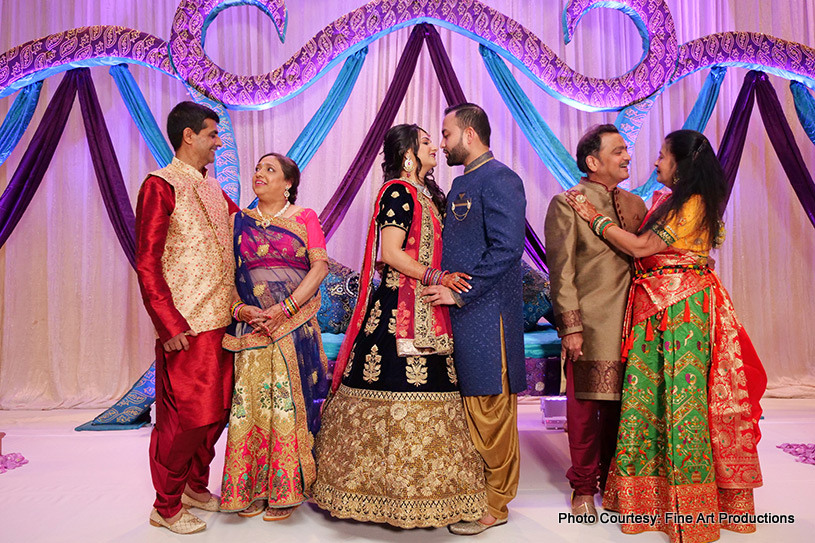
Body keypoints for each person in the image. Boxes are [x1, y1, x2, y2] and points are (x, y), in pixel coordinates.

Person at [564, 129, 767, 543]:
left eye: (661, 157)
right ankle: (650, 498)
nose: (653, 163)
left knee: (682, 404)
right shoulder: (664, 201)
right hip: (657, 312)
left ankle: (688, 506)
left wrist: (594, 217)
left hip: (682, 314)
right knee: (652, 403)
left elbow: (640, 249)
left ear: (680, 164)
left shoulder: (690, 204)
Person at [312, 124, 487, 529]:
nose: (435, 147)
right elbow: (390, 253)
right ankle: (373, 491)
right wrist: (435, 276)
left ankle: (434, 493)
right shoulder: (398, 191)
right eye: (427, 142)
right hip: (396, 311)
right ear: (407, 153)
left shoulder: (431, 196)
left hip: (430, 309)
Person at [136, 101, 239, 534]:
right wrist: (169, 324)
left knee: (216, 413)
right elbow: (146, 262)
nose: (219, 143)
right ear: (189, 136)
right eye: (213, 134)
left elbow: (251, 231)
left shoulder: (214, 189)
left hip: (225, 319)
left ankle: (196, 486)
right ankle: (166, 505)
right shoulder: (160, 186)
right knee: (186, 419)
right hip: (188, 325)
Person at [423, 103, 526, 535]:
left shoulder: (500, 178)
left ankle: (498, 503)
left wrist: (457, 292)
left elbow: (506, 249)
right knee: (470, 409)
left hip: (488, 316)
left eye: (446, 135)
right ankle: (475, 492)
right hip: (464, 317)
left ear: (468, 134)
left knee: (491, 408)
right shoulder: (466, 182)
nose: (442, 143)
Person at [543, 124, 647, 520]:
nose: (627, 156)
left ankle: (616, 482)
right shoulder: (567, 202)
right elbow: (562, 271)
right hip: (591, 325)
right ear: (592, 161)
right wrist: (570, 326)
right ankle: (584, 487)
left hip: (635, 325)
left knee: (627, 408)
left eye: (626, 149)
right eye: (618, 150)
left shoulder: (636, 204)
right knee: (585, 410)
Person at [219, 153, 330, 521]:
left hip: (293, 327)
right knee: (249, 410)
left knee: (285, 408)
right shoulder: (238, 222)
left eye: (270, 170)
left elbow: (319, 266)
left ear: (288, 184)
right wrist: (242, 310)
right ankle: (249, 488)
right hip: (252, 329)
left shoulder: (304, 218)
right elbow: (227, 277)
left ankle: (287, 489)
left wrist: (286, 309)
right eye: (257, 168)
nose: (259, 174)